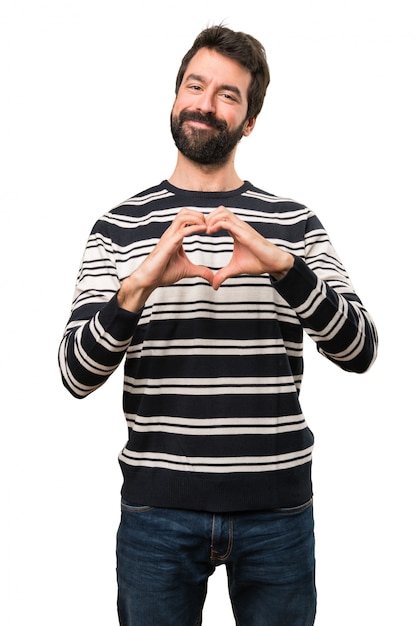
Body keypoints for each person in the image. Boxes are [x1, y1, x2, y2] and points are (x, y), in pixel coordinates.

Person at [59, 24, 378, 626]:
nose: (205, 103)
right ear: (175, 97)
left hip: (278, 516)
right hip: (156, 516)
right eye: (195, 85)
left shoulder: (293, 224)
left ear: (250, 121)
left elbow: (360, 348)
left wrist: (286, 267)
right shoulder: (118, 227)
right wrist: (138, 287)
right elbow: (75, 374)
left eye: (228, 94)